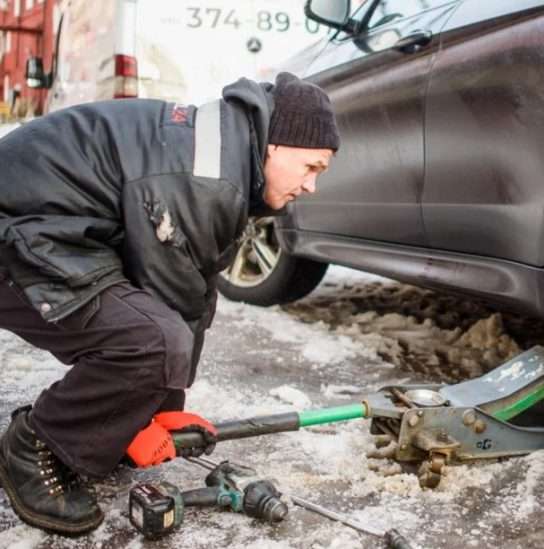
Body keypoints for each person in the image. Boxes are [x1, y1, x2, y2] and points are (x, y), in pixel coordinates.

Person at [0, 72, 340, 535]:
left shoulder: (228, 154)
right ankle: (33, 445)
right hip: (19, 236)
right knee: (152, 341)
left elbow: (190, 291)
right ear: (277, 146)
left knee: (156, 335)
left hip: (58, 231)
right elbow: (163, 316)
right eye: (312, 167)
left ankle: (88, 427)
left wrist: (161, 412)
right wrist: (140, 416)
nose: (311, 186)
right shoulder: (212, 179)